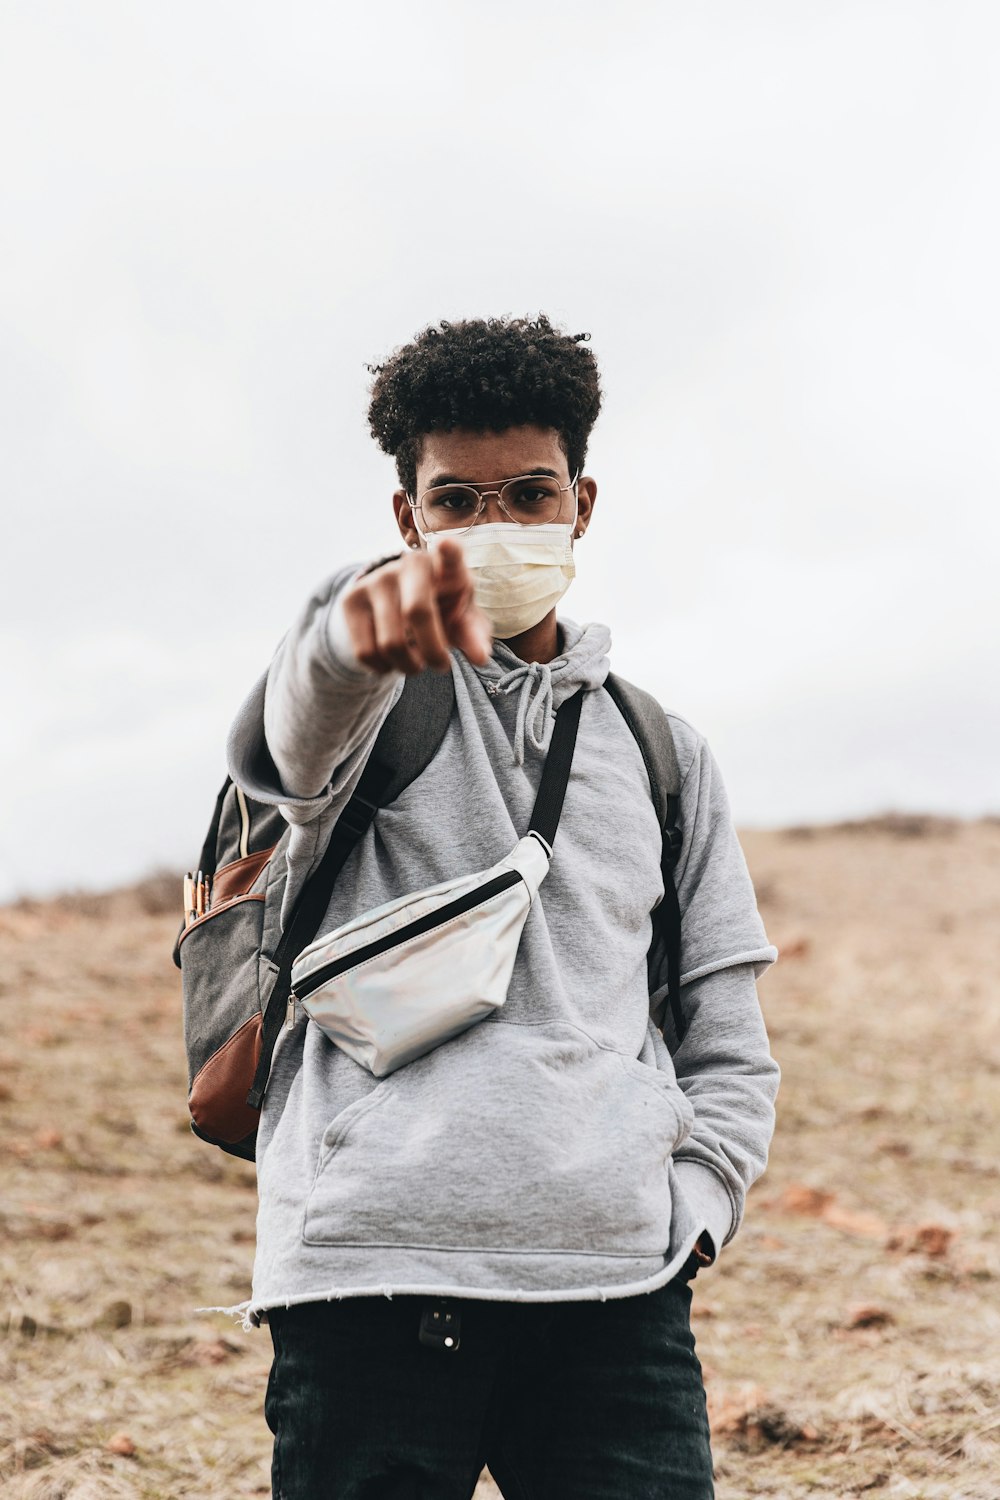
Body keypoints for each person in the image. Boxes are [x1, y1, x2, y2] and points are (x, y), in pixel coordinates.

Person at [225, 314, 780, 1499]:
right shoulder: (372, 697)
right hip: (367, 1283)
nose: (496, 529)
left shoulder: (661, 750)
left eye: (528, 495)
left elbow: (724, 1033)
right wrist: (348, 632)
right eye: (457, 500)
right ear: (407, 518)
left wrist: (687, 1217)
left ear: (581, 503)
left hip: (614, 1302)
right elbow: (296, 724)